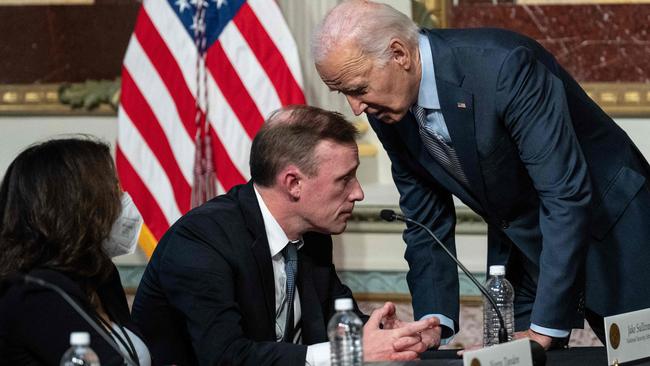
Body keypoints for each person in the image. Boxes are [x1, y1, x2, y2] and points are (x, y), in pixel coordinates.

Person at [312, 0, 650, 349]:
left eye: (358, 88)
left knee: (637, 353)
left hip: (615, 228)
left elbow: (565, 193)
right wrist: (434, 325)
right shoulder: (387, 109)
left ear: (399, 54)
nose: (355, 108)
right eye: (344, 93)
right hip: (523, 245)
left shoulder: (503, 67)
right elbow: (425, 219)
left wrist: (544, 331)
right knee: (513, 358)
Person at [131, 105, 439, 365]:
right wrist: (350, 353)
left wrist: (394, 337)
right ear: (293, 183)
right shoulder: (202, 241)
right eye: (344, 179)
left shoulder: (313, 235)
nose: (357, 193)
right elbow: (225, 356)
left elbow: (336, 321)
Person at [0, 137, 150, 365]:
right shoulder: (35, 294)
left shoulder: (101, 277)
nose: (122, 200)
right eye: (112, 191)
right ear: (77, 208)